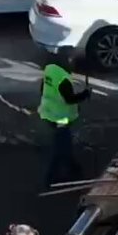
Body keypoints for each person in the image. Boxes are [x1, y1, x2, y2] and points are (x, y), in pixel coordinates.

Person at [39, 54, 90, 189]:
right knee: (61, 149)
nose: (72, 64)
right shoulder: (63, 79)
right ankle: (50, 179)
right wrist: (85, 94)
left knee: (64, 145)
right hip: (61, 118)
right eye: (70, 61)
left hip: (49, 113)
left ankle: (74, 169)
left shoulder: (50, 70)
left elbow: (43, 89)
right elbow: (70, 99)